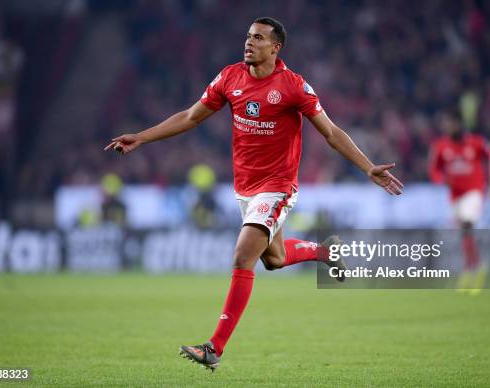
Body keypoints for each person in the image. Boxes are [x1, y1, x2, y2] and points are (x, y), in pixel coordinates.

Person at [105, 17, 403, 370]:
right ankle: (326, 251)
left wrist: (367, 167)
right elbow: (189, 117)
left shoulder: (293, 87)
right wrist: (141, 136)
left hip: (277, 187)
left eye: (258, 38)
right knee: (273, 259)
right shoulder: (229, 77)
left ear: (275, 48)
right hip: (245, 187)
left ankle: (213, 348)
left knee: (242, 255)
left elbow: (332, 133)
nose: (249, 43)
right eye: (247, 36)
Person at [428, 109, 488, 293]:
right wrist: (441, 180)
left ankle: (473, 269)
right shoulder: (440, 146)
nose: (449, 127)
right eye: (447, 124)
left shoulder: (476, 143)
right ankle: (473, 268)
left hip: (474, 192)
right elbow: (434, 170)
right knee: (464, 232)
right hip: (455, 196)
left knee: (467, 224)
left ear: (461, 124)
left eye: (452, 123)